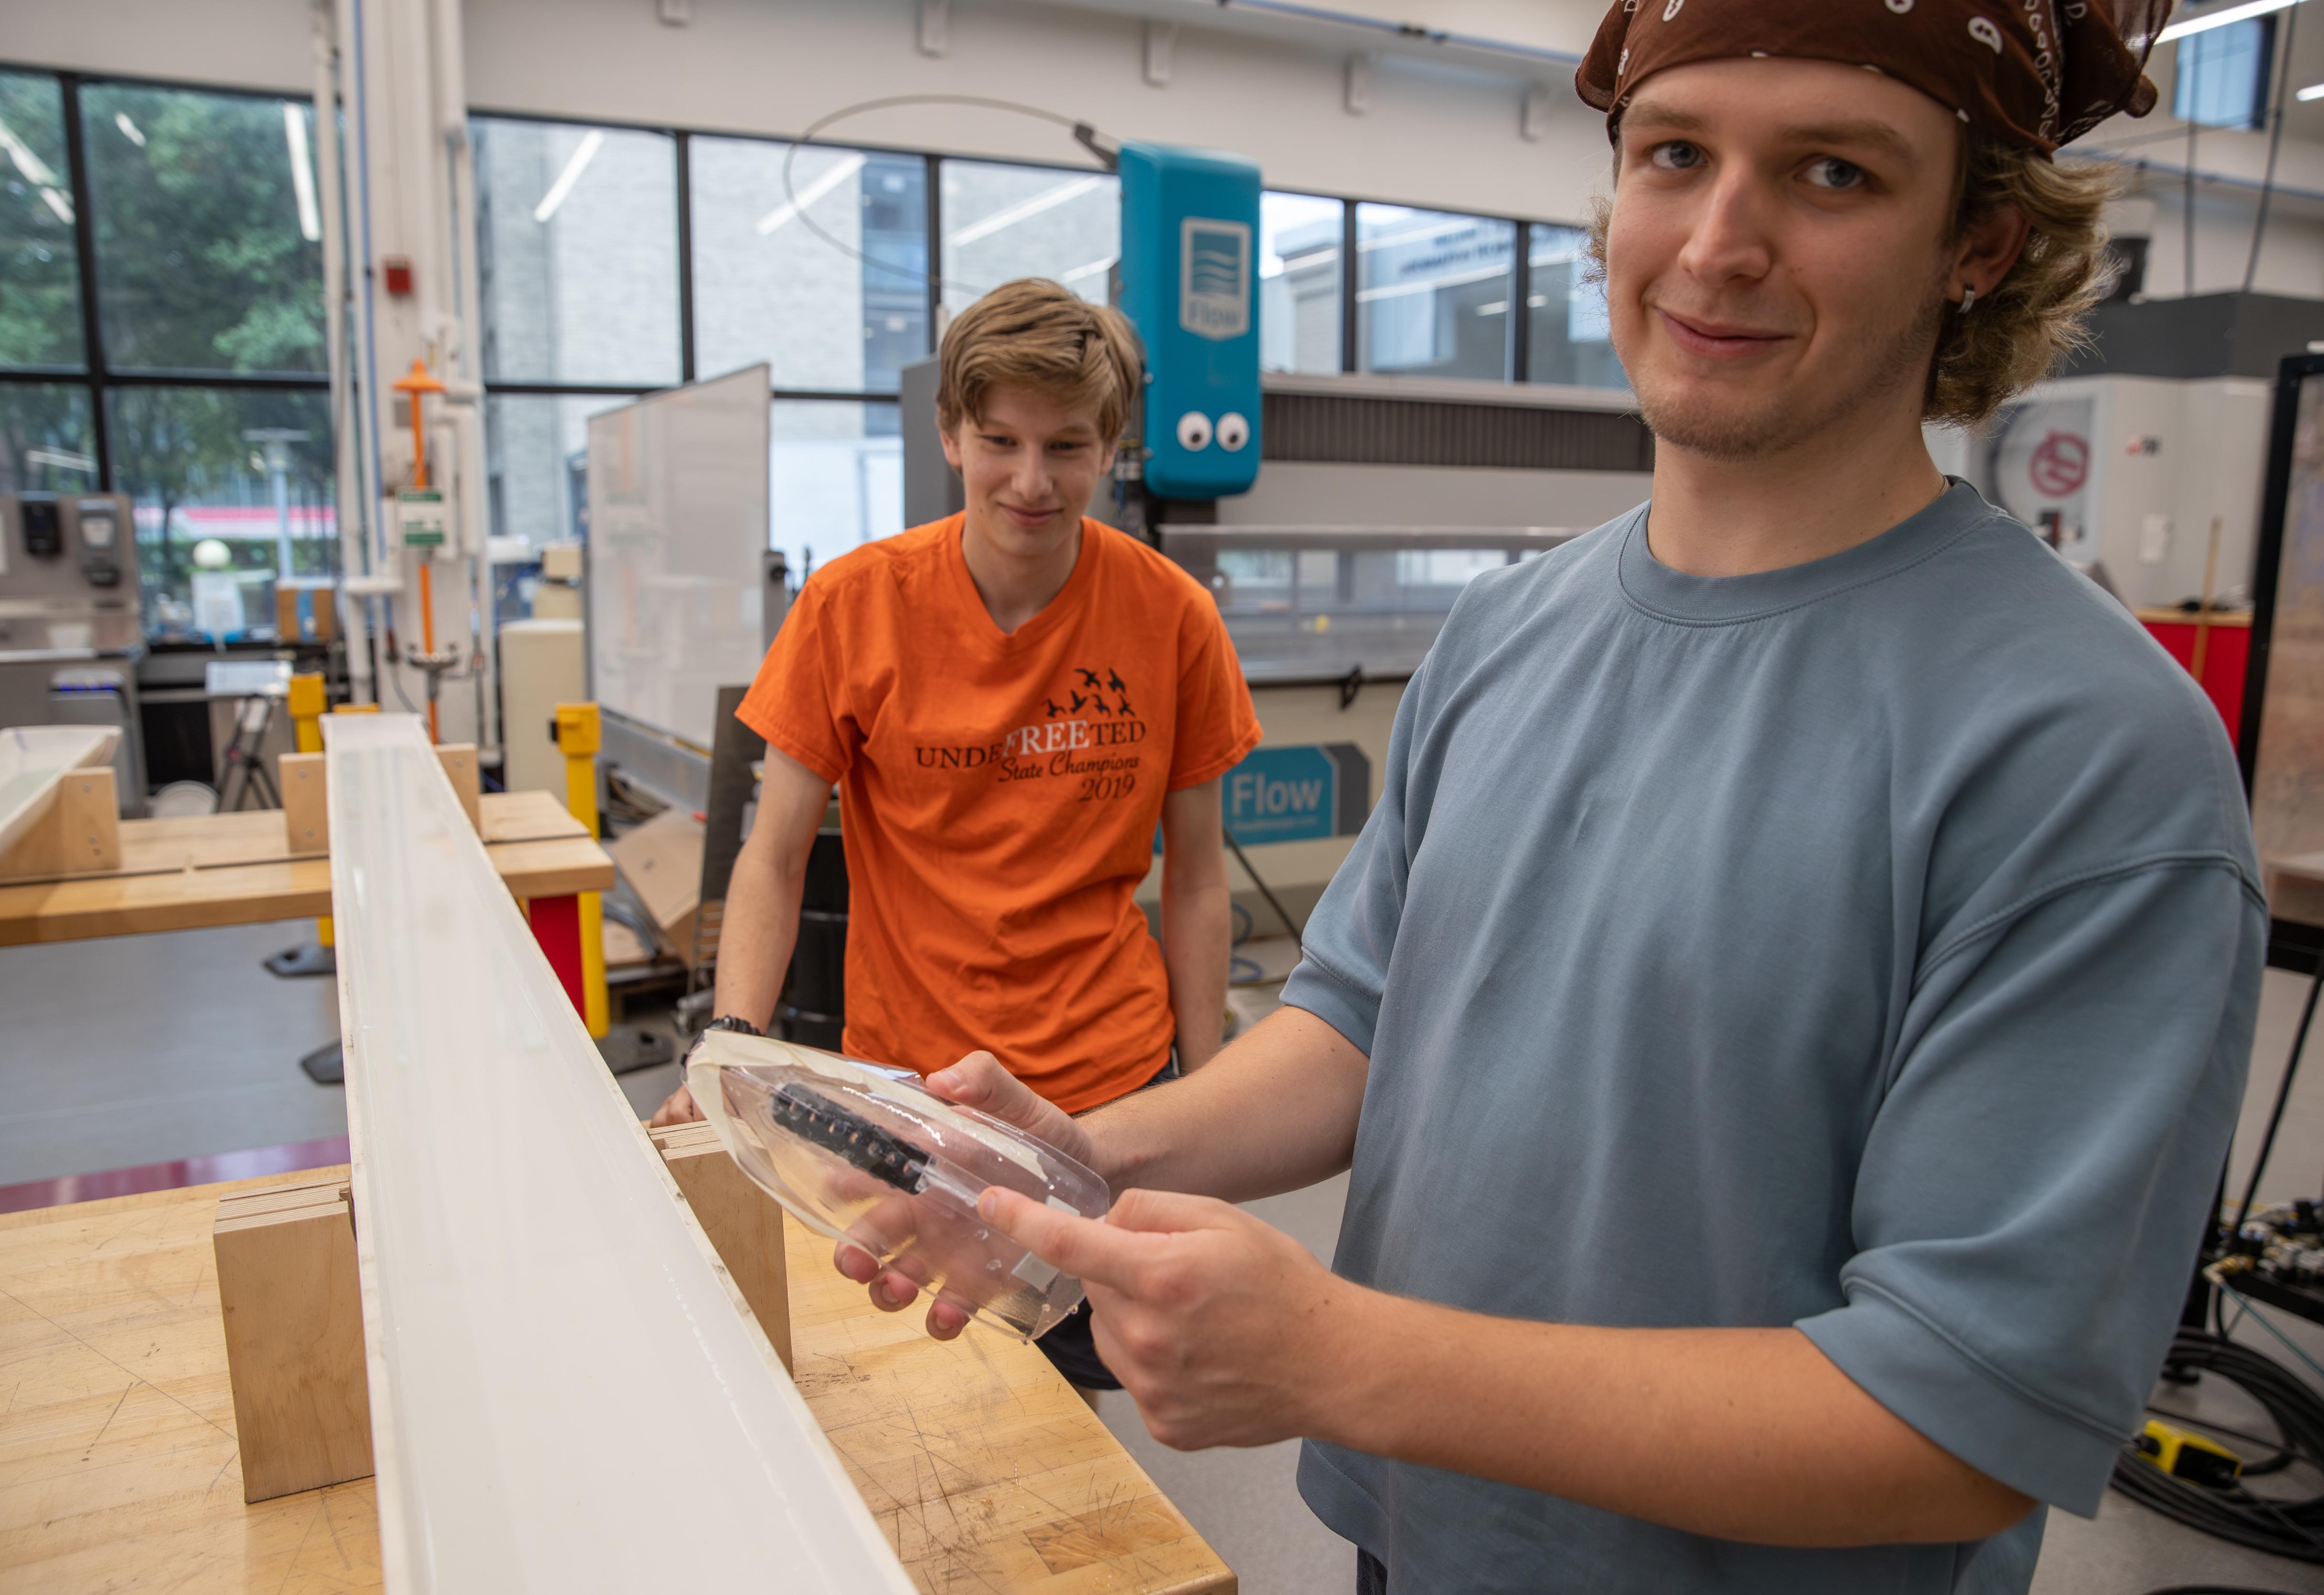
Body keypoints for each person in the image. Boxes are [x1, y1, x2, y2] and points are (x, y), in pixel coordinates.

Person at [842, 3, 2270, 1589]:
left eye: (1833, 174)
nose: (1719, 245)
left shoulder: (2084, 751)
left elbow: (1957, 1415)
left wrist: (1338, 1358)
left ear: (1979, 246)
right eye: (1676, 155)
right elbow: (1357, 1029)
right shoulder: (1508, 632)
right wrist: (1075, 1159)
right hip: (1416, 1547)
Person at [652, 277, 1263, 1389]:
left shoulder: (1173, 615)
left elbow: (1198, 881)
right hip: (915, 1094)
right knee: (935, 1382)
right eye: (1000, 441)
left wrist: (1206, 1098)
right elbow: (772, 853)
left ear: (1110, 447)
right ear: (950, 432)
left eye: (1068, 447)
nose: (1032, 482)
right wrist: (728, 1042)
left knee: (1103, 1395)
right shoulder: (852, 604)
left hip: (1110, 1088)